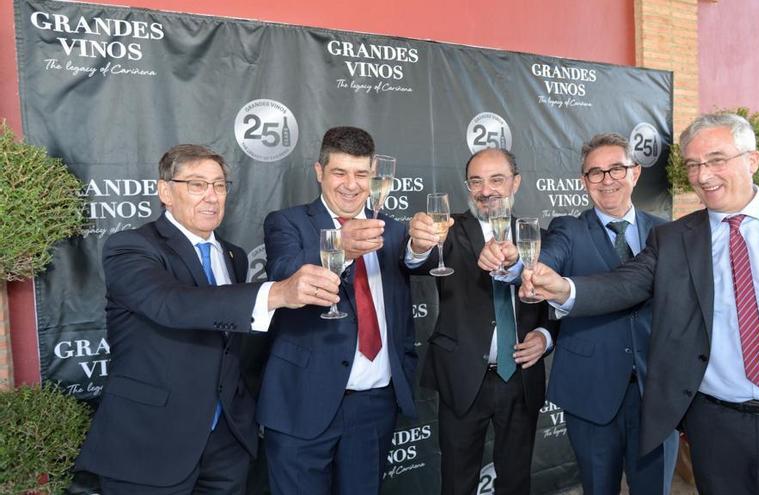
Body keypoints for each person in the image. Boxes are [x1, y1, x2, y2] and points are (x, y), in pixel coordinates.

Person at [523, 112, 759, 495]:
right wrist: (562, 289)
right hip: (716, 432)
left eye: (716, 160)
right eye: (693, 165)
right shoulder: (674, 239)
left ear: (752, 160)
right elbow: (622, 285)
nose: (703, 175)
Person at [75, 144, 340, 494]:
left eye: (219, 185)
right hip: (151, 445)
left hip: (227, 445)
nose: (211, 196)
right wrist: (276, 293)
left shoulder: (234, 255)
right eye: (196, 185)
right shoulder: (131, 247)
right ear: (165, 191)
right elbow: (170, 304)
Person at [258, 127, 417, 495]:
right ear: (319, 171)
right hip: (302, 404)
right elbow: (285, 271)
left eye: (361, 174)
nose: (351, 185)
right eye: (339, 173)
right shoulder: (287, 222)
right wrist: (340, 246)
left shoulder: (392, 229)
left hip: (373, 406)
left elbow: (419, 263)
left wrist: (423, 246)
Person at [531, 133, 677, 494]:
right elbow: (546, 260)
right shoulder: (569, 229)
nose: (607, 179)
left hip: (657, 392)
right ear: (584, 182)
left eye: (616, 169)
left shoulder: (669, 233)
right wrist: (531, 272)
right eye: (595, 173)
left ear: (635, 173)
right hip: (591, 393)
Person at [406, 148, 556, 495]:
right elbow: (414, 261)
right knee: (457, 482)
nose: (486, 190)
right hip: (461, 378)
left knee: (516, 480)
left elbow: (556, 306)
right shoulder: (447, 230)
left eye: (496, 179)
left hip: (519, 378)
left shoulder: (540, 237)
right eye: (476, 181)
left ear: (516, 182)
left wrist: (545, 337)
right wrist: (417, 243)